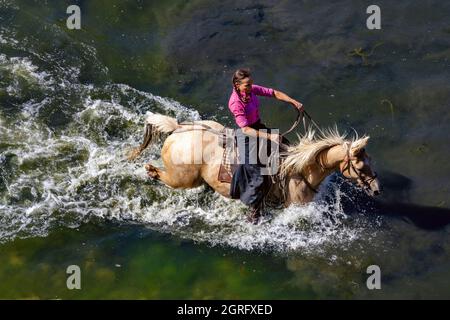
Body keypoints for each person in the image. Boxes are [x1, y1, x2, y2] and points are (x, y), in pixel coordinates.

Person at [228, 68, 304, 223]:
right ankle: (253, 212)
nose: (251, 87)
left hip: (257, 126)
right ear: (237, 85)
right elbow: (245, 129)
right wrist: (270, 136)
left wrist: (293, 101)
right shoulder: (236, 102)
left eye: (251, 83)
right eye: (247, 85)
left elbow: (273, 93)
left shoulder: (251, 91)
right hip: (246, 135)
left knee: (286, 146)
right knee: (258, 175)